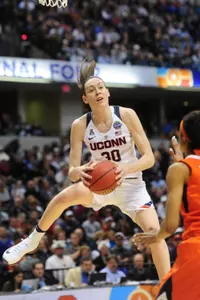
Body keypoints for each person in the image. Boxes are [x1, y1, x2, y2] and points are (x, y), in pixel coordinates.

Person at [3, 59, 170, 280]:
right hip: (100, 184)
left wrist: (125, 168)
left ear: (108, 92)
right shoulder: (80, 125)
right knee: (63, 197)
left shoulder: (126, 115)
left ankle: (169, 286)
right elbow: (72, 170)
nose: (97, 92)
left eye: (101, 87)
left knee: (155, 235)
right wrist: (78, 170)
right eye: (91, 90)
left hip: (131, 185)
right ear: (85, 98)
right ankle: (31, 241)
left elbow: (149, 158)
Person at [133, 110, 200, 300]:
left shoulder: (179, 170)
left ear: (183, 140)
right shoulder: (184, 167)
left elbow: (171, 225)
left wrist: (156, 237)